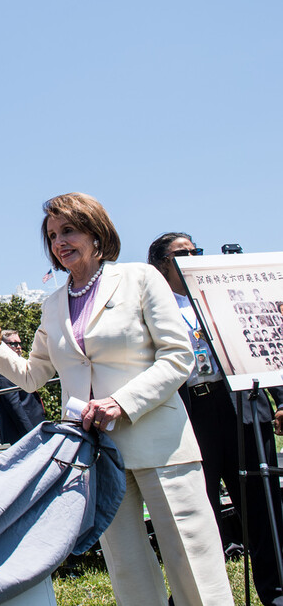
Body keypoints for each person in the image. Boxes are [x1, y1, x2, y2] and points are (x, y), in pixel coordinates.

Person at [0, 193, 231, 605]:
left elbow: (177, 357)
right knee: (126, 568)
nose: (60, 242)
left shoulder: (140, 278)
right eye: (52, 236)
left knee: (193, 563)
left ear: (97, 233)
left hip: (160, 444)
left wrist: (122, 403)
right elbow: (32, 376)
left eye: (69, 230)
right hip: (97, 453)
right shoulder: (52, 305)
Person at [150, 231, 283, 605]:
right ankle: (195, 598)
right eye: (181, 253)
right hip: (190, 415)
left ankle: (277, 594)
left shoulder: (220, 294)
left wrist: (281, 398)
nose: (192, 257)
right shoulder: (152, 305)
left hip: (240, 408)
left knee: (263, 508)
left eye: (196, 251)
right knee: (197, 514)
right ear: (160, 264)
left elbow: (260, 341)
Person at [0, 330, 46, 444]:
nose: (18, 347)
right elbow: (14, 406)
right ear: (2, 347)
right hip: (21, 434)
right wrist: (31, 435)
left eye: (19, 343)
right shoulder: (1, 371)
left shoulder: (15, 366)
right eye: (13, 344)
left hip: (32, 427)